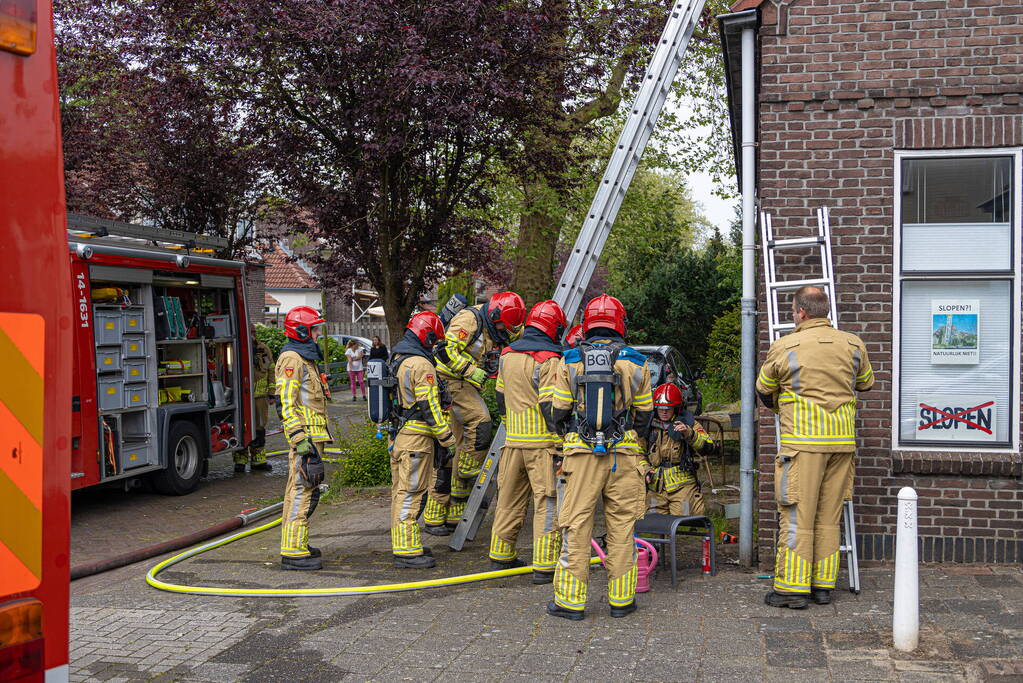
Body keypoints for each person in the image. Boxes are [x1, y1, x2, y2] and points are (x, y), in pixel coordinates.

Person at [756, 285, 874, 608]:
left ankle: (792, 589)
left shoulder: (786, 346)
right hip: (842, 444)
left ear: (802, 313)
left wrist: (783, 403)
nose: (793, 316)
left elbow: (763, 388)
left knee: (797, 516)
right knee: (828, 516)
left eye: (793, 311)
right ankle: (823, 586)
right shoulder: (853, 344)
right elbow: (866, 383)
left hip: (803, 445)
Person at [548, 294, 653, 620]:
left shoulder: (568, 360)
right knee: (622, 528)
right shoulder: (637, 361)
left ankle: (570, 603)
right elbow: (645, 415)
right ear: (620, 322)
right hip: (624, 455)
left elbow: (558, 410)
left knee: (576, 525)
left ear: (588, 323)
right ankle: (622, 602)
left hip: (580, 456)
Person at [423, 291, 527, 535]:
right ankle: (469, 469)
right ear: (493, 315)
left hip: (464, 383)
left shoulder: (498, 325)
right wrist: (471, 371)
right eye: (502, 324)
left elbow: (517, 334)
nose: (505, 330)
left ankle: (449, 515)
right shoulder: (469, 320)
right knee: (480, 422)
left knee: (457, 447)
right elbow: (444, 351)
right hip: (449, 381)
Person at [488, 300, 567, 581]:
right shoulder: (549, 360)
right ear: (553, 327)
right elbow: (549, 406)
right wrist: (562, 437)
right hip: (542, 447)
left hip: (512, 444)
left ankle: (500, 556)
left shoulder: (507, 354)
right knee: (547, 503)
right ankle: (544, 567)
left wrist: (510, 426)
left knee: (508, 500)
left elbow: (499, 396)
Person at [388, 311, 456, 568]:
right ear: (426, 335)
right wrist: (447, 438)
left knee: (400, 491)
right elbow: (430, 406)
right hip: (417, 439)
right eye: (434, 340)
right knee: (412, 492)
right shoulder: (421, 364)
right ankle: (406, 551)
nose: (435, 345)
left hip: (400, 435)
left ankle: (404, 542)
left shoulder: (398, 358)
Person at [276, 306, 331, 571]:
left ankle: (295, 543)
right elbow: (286, 403)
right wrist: (299, 439)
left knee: (302, 489)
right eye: (314, 329)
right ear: (301, 331)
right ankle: (294, 552)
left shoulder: (304, 358)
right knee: (301, 491)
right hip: (305, 437)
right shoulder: (292, 359)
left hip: (312, 435)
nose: (318, 334)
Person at [641, 383, 713, 516]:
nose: (663, 411)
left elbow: (709, 447)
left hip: (682, 486)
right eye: (660, 408)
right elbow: (638, 453)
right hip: (656, 486)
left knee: (683, 520)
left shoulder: (688, 423)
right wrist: (645, 470)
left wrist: (689, 434)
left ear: (677, 408)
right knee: (652, 523)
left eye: (668, 408)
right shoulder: (648, 425)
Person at [235, 324, 275, 473]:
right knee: (241, 428)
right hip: (241, 399)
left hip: (260, 399)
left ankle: (258, 461)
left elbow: (271, 371)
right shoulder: (236, 348)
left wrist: (272, 393)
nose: (252, 335)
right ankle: (240, 460)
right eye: (249, 332)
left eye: (253, 332)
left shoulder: (264, 349)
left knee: (259, 429)